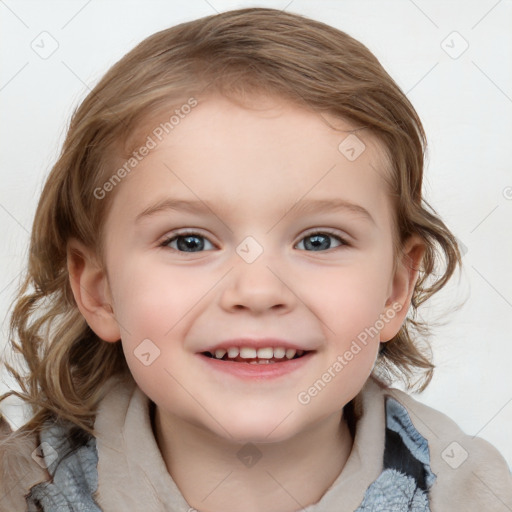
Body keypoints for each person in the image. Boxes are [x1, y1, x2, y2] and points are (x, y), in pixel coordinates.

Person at [0, 7, 510, 512]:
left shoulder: (476, 495)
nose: (258, 291)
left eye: (319, 241)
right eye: (189, 242)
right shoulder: (19, 488)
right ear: (98, 290)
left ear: (395, 289)